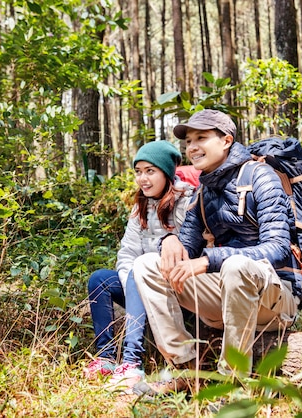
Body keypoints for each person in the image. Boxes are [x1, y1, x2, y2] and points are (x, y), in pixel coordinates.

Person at [132, 109, 302, 387]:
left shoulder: (260, 177)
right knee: (147, 265)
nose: (192, 147)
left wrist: (209, 260)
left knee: (235, 266)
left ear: (226, 141)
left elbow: (277, 248)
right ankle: (186, 370)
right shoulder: (204, 191)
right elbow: (186, 245)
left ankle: (232, 383)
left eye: (201, 138)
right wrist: (170, 240)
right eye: (188, 141)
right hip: (227, 297)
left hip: (275, 300)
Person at [84, 140, 195, 392]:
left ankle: (132, 363)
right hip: (139, 283)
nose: (142, 179)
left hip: (177, 288)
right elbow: (127, 254)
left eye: (150, 171)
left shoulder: (186, 202)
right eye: (138, 172)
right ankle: (106, 358)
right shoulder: (140, 207)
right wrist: (133, 283)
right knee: (99, 279)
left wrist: (140, 280)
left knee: (139, 271)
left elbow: (191, 249)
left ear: (166, 173)